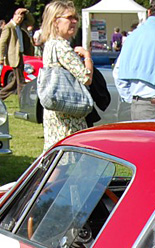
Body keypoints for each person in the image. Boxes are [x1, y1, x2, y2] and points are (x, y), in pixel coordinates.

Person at [39, 0, 93, 151]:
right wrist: (87, 57)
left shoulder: (49, 44)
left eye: (75, 18)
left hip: (55, 109)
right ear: (55, 21)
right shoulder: (61, 46)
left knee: (56, 155)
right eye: (69, 18)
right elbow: (86, 78)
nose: (74, 21)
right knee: (66, 157)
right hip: (68, 113)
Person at [114, 0, 155, 120]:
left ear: (149, 12)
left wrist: (130, 98)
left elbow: (118, 73)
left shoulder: (133, 36)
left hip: (134, 105)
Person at [0, 7, 35, 101]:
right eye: (18, 17)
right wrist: (1, 58)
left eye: (22, 18)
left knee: (15, 81)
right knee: (21, 81)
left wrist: (26, 12)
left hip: (21, 55)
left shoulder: (21, 26)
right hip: (14, 56)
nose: (20, 19)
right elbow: (2, 43)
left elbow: (31, 21)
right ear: (14, 16)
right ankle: (22, 100)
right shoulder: (8, 27)